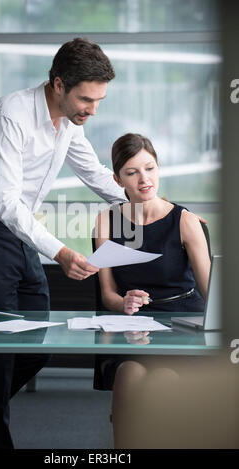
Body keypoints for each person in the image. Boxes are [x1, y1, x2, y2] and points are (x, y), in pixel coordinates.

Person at [0, 38, 127, 449]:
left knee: (35, 345)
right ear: (58, 84)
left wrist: (143, 202)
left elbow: (93, 172)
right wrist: (59, 251)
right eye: (86, 99)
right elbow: (4, 202)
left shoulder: (69, 121)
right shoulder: (12, 116)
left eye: (99, 100)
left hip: (21, 233)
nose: (92, 110)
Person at [93, 133, 211, 447]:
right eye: (132, 172)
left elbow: (212, 293)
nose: (144, 179)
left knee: (164, 380)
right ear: (118, 179)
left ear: (159, 168)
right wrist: (125, 303)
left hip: (182, 325)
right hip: (136, 327)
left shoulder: (185, 221)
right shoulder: (106, 222)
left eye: (150, 168)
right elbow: (108, 295)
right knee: (127, 375)